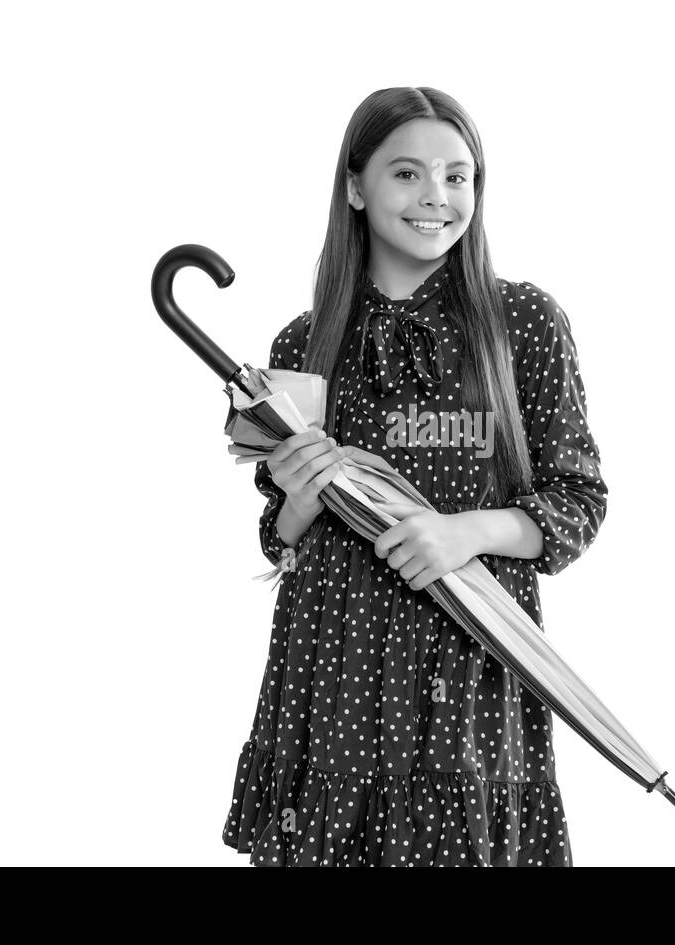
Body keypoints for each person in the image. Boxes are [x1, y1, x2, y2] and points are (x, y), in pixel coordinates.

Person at [222, 87, 608, 866]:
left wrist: (462, 534)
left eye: (458, 176)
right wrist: (298, 494)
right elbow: (281, 535)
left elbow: (578, 499)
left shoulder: (523, 322)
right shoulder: (307, 337)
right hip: (332, 668)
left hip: (466, 662)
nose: (437, 195)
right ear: (356, 187)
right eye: (407, 174)